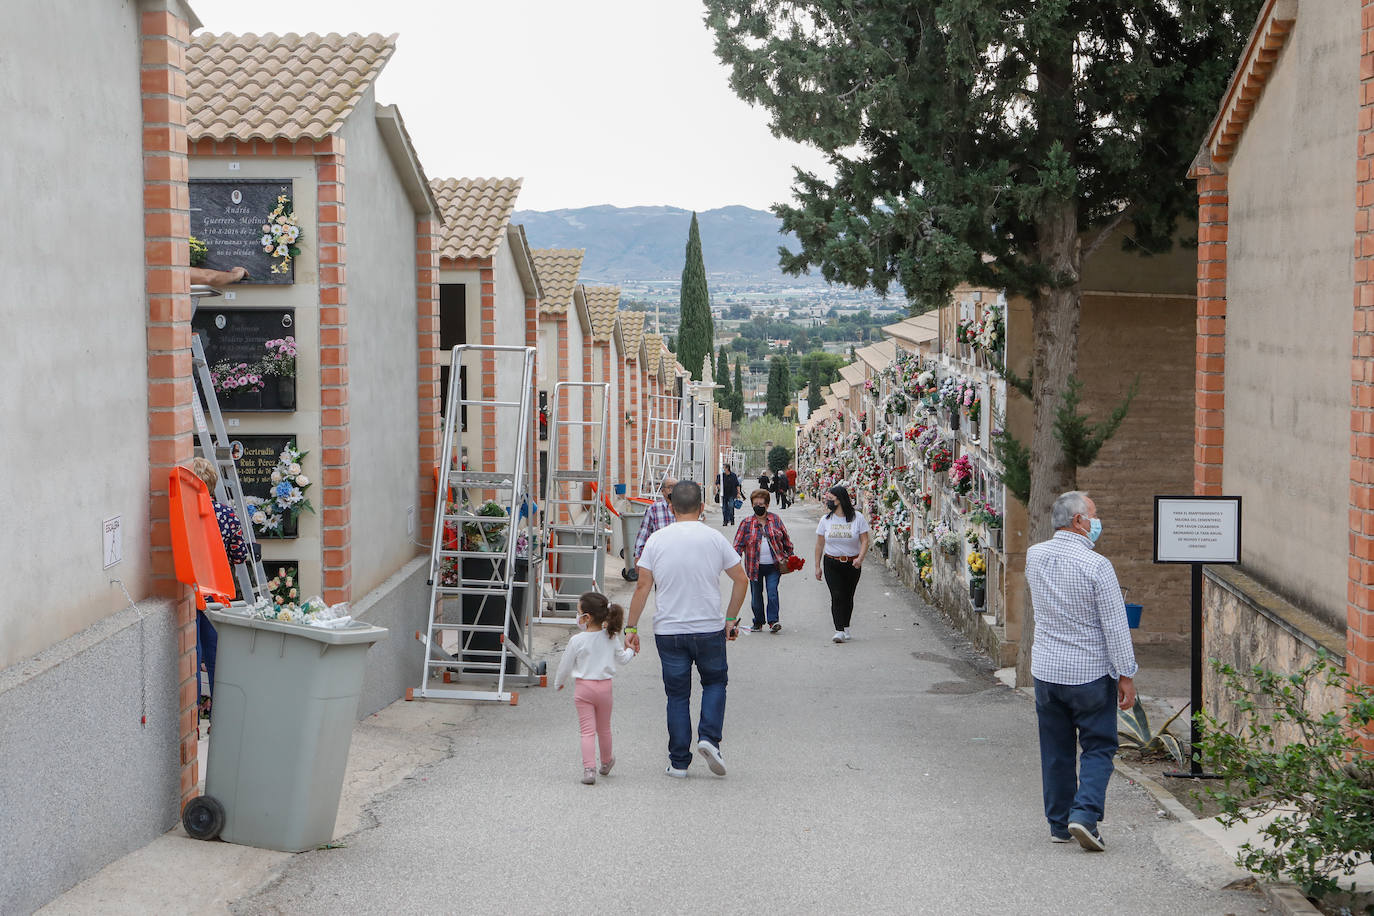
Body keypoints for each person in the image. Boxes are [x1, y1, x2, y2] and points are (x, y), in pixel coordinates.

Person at [1025, 491, 1138, 852]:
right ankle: (1085, 815)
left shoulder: (1034, 556)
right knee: (1099, 745)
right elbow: (1115, 626)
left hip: (1046, 670)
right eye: (1093, 515)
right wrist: (1126, 673)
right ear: (1078, 521)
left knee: (1056, 749)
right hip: (1088, 672)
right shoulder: (1097, 566)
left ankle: (1059, 823)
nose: (1097, 521)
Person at [627, 480, 749, 778]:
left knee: (677, 696)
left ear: (670, 506)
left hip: (669, 630)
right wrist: (731, 620)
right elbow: (741, 579)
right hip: (708, 627)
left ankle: (679, 762)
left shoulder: (656, 540)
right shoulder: (715, 539)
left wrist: (631, 627)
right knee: (715, 683)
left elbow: (643, 586)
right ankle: (709, 738)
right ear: (701, 506)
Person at [188, 457, 250, 719]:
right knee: (217, 659)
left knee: (191, 656)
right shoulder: (226, 515)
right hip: (217, 593)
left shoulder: (185, 516)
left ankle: (191, 722)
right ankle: (220, 719)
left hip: (190, 593)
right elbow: (239, 555)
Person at [553, 592, 636, 785]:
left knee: (587, 731)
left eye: (579, 612)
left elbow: (565, 665)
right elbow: (623, 659)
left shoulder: (577, 640)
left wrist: (559, 682)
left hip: (584, 690)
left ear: (587, 618)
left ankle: (589, 769)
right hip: (605, 689)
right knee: (604, 728)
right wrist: (631, 649)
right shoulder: (611, 638)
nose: (577, 616)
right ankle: (606, 762)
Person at [813, 485, 869, 644]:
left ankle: (845, 626)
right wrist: (817, 566)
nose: (828, 502)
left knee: (848, 596)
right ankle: (839, 631)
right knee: (836, 595)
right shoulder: (825, 520)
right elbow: (819, 545)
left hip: (852, 563)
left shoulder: (857, 518)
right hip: (831, 562)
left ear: (841, 499)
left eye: (831, 499)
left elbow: (865, 540)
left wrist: (860, 558)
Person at [733, 489, 794, 633]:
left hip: (774, 565)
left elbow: (786, 539)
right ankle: (758, 622)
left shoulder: (776, 520)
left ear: (767, 505)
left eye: (761, 504)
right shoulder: (746, 523)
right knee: (756, 595)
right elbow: (738, 544)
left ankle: (773, 621)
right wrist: (735, 561)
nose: (758, 506)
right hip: (754, 566)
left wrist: (791, 555)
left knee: (772, 592)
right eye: (755, 504)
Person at [633, 475, 678, 567]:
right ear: (662, 491)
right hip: (660, 559)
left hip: (679, 558)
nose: (674, 490)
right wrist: (638, 556)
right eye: (670, 487)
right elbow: (644, 533)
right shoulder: (654, 508)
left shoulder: (685, 507)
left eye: (676, 487)